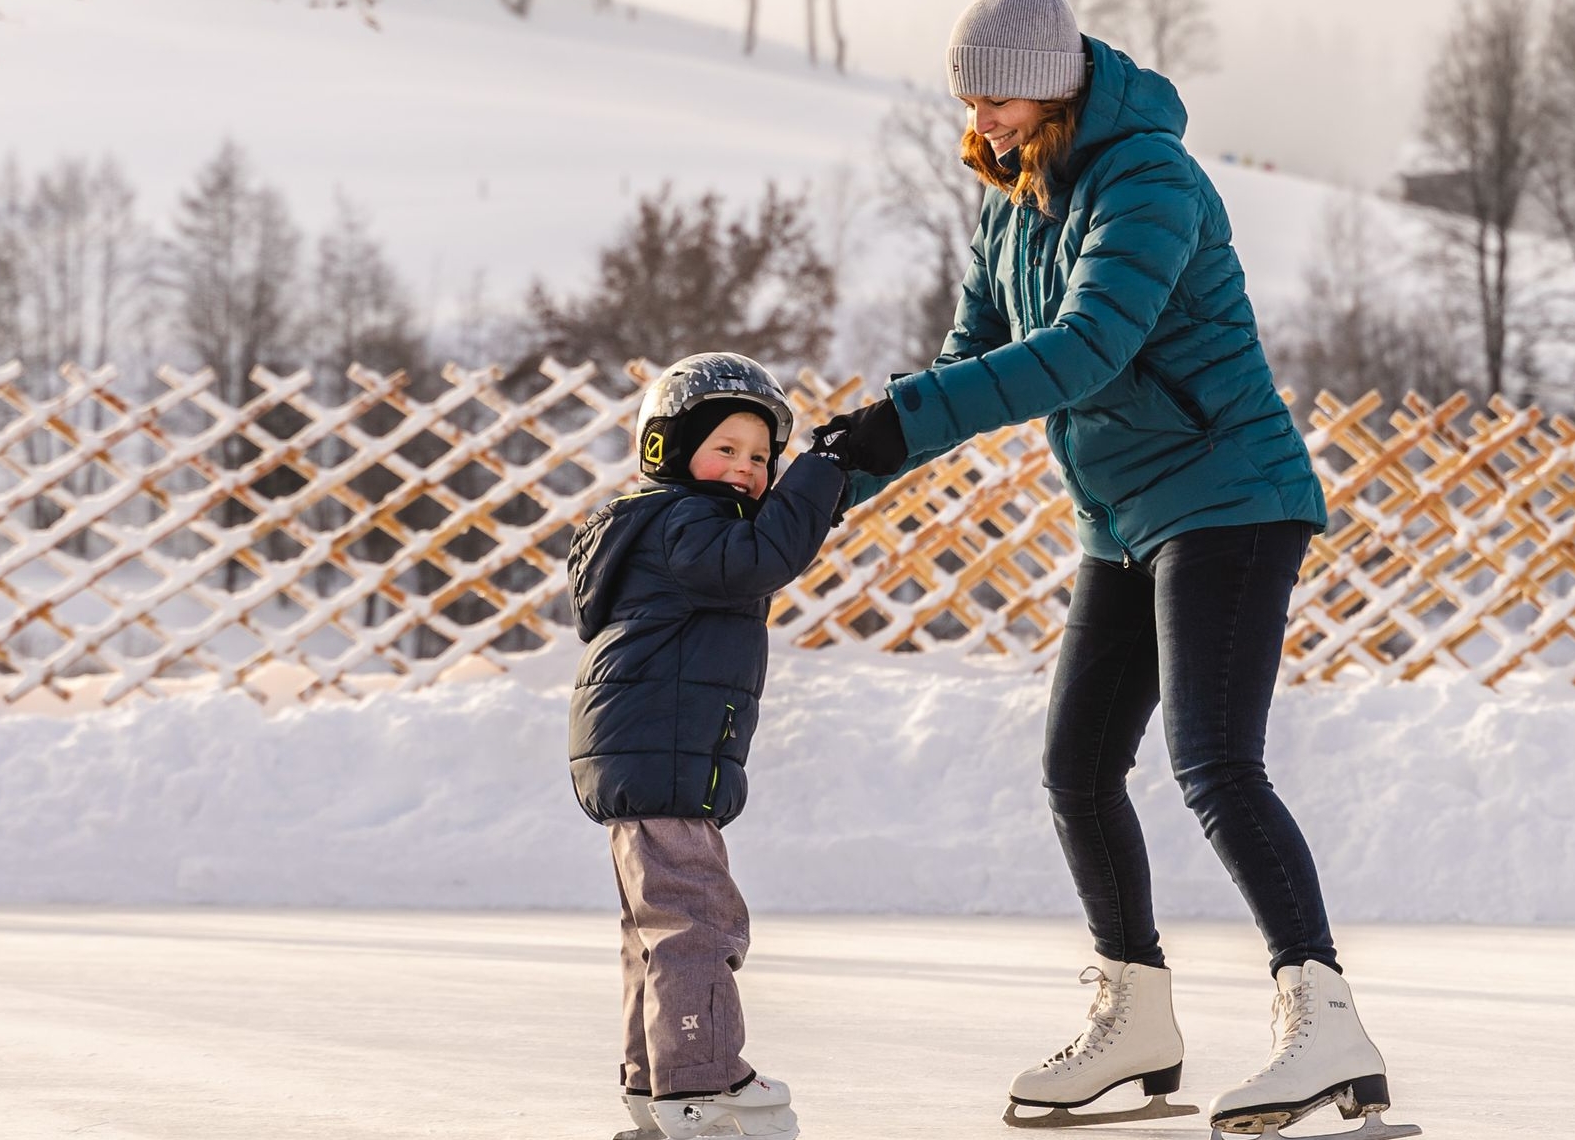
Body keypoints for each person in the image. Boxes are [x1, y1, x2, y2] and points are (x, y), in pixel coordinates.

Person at [832, 2, 1415, 1135]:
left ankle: (1323, 1016)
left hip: (1228, 494)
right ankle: (1137, 1013)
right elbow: (970, 359)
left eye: (997, 96)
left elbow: (1086, 347)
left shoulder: (1147, 178)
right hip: (1124, 512)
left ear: (1054, 87)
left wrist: (898, 424)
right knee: (1076, 769)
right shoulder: (1010, 204)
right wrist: (833, 472)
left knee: (1214, 765)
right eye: (968, 98)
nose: (981, 120)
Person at [566, 352, 900, 1140]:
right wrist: (825, 467)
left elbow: (767, 542)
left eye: (761, 458)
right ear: (669, 451)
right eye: (726, 450)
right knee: (696, 922)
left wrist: (825, 483)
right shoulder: (686, 523)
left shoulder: (665, 526)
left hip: (646, 756)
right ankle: (703, 1084)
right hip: (662, 757)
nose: (747, 471)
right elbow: (764, 557)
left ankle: (656, 1087)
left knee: (653, 931)